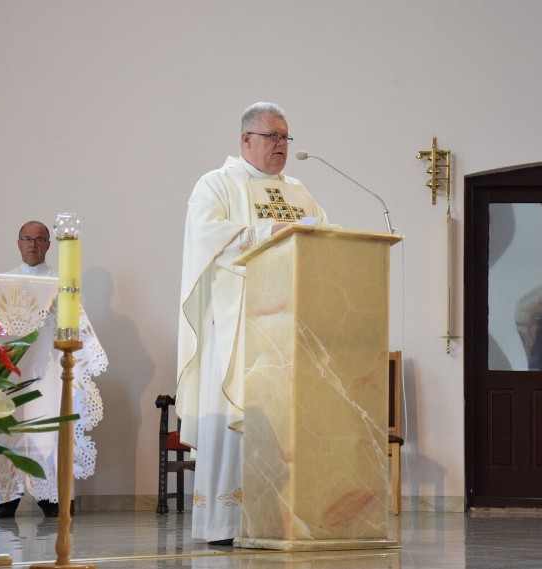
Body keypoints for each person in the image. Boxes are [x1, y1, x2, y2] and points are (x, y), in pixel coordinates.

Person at [176, 102, 329, 545]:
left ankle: (280, 521)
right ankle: (225, 523)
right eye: (272, 137)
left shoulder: (299, 191)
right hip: (236, 326)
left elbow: (322, 235)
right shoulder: (216, 185)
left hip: (289, 328)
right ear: (246, 140)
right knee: (234, 413)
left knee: (286, 423)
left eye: (285, 137)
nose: (281, 145)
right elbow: (210, 238)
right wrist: (272, 234)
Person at [0, 220, 107, 518]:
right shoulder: (3, 283)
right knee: (10, 429)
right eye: (27, 239)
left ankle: (51, 497)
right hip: (13, 371)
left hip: (50, 373)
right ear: (18, 243)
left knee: (48, 430)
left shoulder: (63, 282)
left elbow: (75, 325)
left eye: (39, 239)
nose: (32, 244)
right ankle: (6, 496)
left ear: (48, 245)